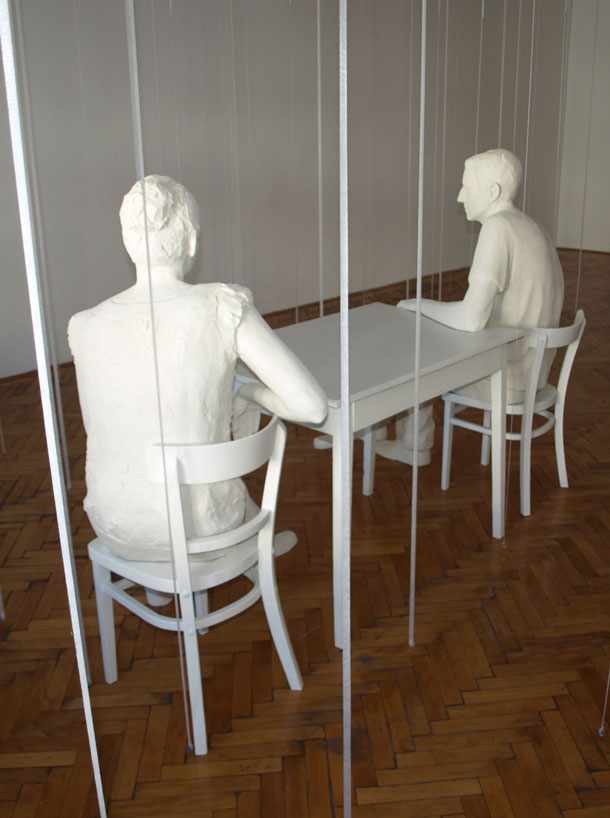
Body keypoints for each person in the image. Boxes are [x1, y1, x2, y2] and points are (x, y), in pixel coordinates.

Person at [68, 175, 327, 563]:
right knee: (215, 468)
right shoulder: (222, 305)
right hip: (201, 530)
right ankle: (259, 548)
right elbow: (312, 407)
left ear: (128, 241)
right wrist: (248, 392)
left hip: (115, 526)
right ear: (191, 240)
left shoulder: (84, 324)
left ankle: (169, 579)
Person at [376, 148, 564, 465]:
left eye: (466, 187)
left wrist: (419, 304)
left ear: (493, 191)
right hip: (535, 372)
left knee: (416, 360)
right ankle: (378, 429)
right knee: (430, 342)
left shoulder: (497, 228)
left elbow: (471, 318)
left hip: (506, 378)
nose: (460, 196)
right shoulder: (536, 228)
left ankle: (410, 444)